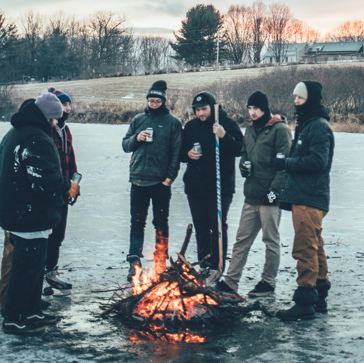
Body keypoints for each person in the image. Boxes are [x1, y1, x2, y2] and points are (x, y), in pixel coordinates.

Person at [0, 92, 80, 335]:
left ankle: (31, 311)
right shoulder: (35, 138)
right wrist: (67, 185)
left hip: (20, 211)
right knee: (26, 268)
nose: (55, 123)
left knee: (34, 266)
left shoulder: (18, 133)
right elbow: (42, 181)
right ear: (47, 117)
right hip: (26, 213)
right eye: (54, 119)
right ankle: (15, 318)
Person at [217, 91, 292, 297]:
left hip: (269, 196)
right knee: (242, 239)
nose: (252, 113)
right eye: (249, 109)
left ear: (264, 108)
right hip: (251, 194)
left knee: (271, 240)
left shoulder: (280, 130)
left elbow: (284, 165)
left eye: (256, 109)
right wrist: (244, 167)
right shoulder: (249, 129)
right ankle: (230, 282)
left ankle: (268, 282)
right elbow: (244, 153)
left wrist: (274, 192)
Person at [275, 80, 334, 322]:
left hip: (310, 198)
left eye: (300, 97)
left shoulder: (317, 126)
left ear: (310, 99)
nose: (295, 101)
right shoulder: (308, 124)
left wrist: (286, 163)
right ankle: (318, 296)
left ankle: (305, 300)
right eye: (295, 97)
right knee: (315, 244)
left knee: (305, 247)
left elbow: (318, 162)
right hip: (306, 195)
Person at [121, 80, 182, 281]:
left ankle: (160, 262)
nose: (153, 104)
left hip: (160, 182)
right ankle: (134, 261)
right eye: (151, 101)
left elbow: (176, 152)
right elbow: (125, 145)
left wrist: (169, 178)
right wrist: (136, 138)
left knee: (161, 222)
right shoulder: (138, 120)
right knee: (136, 222)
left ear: (163, 102)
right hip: (138, 179)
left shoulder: (172, 123)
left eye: (157, 101)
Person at [180, 91, 243, 274]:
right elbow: (180, 151)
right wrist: (187, 155)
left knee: (217, 226)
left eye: (204, 109)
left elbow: (240, 149)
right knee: (200, 228)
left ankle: (218, 265)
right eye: (197, 110)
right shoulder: (191, 127)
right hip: (195, 186)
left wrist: (224, 136)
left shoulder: (227, 124)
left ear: (212, 108)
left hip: (219, 187)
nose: (201, 114)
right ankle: (204, 263)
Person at [42, 87, 78, 294]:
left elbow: (70, 159)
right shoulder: (48, 130)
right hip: (50, 190)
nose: (67, 108)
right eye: (63, 104)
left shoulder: (66, 130)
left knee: (58, 235)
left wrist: (74, 185)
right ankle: (41, 276)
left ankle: (51, 272)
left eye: (68, 104)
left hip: (64, 189)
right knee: (46, 234)